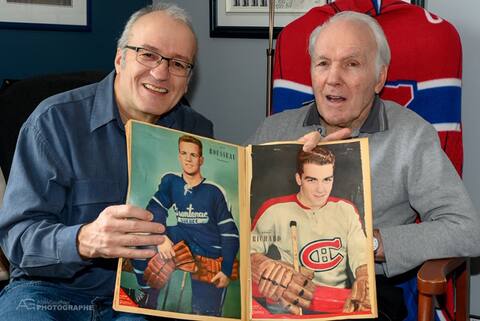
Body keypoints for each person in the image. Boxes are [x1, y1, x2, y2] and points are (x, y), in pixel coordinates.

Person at [248, 11, 480, 320]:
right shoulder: (273, 131)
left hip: (365, 290)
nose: (333, 78)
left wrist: (372, 242)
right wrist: (260, 265)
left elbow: (466, 230)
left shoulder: (410, 135)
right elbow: (238, 224)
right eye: (323, 63)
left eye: (351, 64)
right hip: (276, 290)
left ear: (379, 77)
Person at [0, 3, 213, 321]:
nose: (160, 72)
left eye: (179, 63)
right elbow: (18, 239)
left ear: (188, 79)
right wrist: (84, 239)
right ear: (120, 57)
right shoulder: (54, 122)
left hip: (141, 298)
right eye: (148, 54)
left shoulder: (197, 133)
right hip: (50, 293)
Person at [250, 145, 369, 315]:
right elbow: (248, 252)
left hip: (339, 303)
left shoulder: (346, 210)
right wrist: (265, 265)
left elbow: (361, 253)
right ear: (299, 179)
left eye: (327, 179)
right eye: (312, 180)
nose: (321, 189)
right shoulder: (274, 211)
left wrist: (364, 275)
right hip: (290, 303)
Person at [131, 135, 239, 316]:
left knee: (205, 311)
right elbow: (155, 210)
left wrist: (226, 270)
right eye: (184, 153)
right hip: (182, 236)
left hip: (209, 248)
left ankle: (207, 307)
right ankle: (147, 296)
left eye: (194, 155)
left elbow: (230, 234)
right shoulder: (172, 182)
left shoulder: (214, 191)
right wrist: (161, 237)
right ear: (179, 156)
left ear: (201, 160)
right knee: (142, 239)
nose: (188, 159)